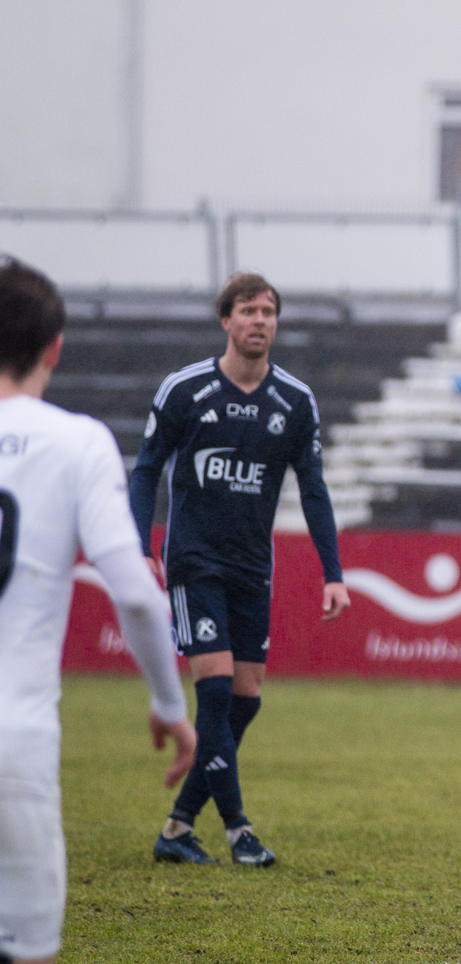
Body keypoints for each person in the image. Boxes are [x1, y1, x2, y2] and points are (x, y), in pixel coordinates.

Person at [0, 257, 198, 964]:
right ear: (55, 347)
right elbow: (140, 600)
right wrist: (166, 704)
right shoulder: (77, 443)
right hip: (14, 741)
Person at [130, 272, 350, 868]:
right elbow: (146, 468)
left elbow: (314, 491)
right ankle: (238, 829)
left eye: (269, 311)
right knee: (218, 690)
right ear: (225, 320)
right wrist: (138, 542)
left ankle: (178, 824)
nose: (260, 321)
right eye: (248, 311)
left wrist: (333, 571)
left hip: (254, 567)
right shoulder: (186, 389)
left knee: (245, 700)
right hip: (194, 562)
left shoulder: (295, 401)